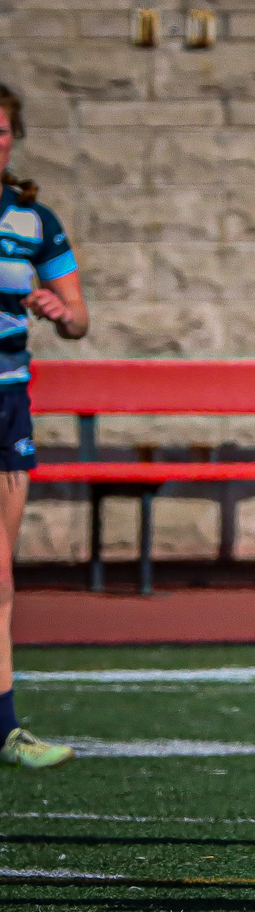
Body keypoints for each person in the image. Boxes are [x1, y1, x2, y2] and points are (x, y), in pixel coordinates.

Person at [0, 84, 85, 771]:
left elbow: (80, 318)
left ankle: (4, 724)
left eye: (3, 131)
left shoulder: (33, 221)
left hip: (11, 398)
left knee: (3, 578)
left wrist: (57, 308)